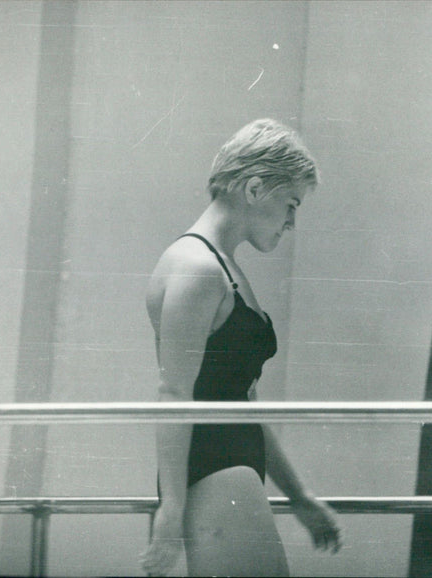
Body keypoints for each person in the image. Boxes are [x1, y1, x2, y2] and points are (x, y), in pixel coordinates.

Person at [140, 119, 342, 576]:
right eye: (291, 204)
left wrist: (299, 496)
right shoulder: (197, 268)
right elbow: (173, 393)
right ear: (254, 189)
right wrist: (170, 509)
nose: (292, 222)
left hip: (232, 466)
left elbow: (242, 399)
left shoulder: (222, 268)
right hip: (214, 470)